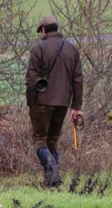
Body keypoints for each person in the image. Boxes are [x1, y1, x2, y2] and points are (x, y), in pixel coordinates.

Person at [26, 15, 83, 187]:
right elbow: (78, 80)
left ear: (43, 30)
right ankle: (51, 183)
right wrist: (76, 107)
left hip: (41, 102)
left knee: (39, 140)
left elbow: (31, 79)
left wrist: (31, 101)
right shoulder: (72, 49)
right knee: (52, 140)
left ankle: (53, 173)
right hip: (63, 104)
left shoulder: (38, 49)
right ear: (56, 29)